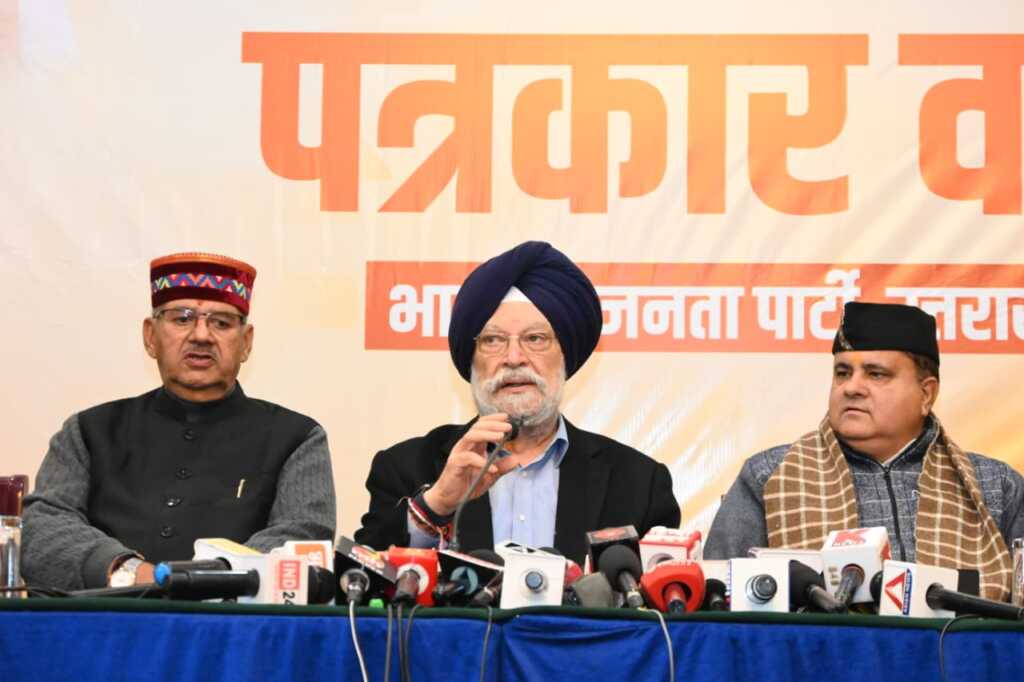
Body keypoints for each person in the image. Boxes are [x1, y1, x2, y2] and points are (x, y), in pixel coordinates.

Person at [22, 253, 336, 590]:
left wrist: (205, 579)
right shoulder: (89, 431)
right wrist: (129, 572)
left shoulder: (297, 438)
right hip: (104, 618)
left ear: (246, 343)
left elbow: (303, 536)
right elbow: (42, 529)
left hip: (233, 621)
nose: (201, 335)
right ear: (150, 336)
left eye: (222, 323)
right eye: (182, 318)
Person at [354, 241, 680, 564]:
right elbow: (359, 579)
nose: (513, 358)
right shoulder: (406, 468)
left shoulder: (639, 482)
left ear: (565, 356)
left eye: (535, 339)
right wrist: (437, 504)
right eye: (493, 340)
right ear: (472, 360)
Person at [704, 301, 1024, 601]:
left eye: (876, 374)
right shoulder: (768, 476)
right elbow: (717, 602)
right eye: (842, 373)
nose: (851, 387)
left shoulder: (995, 486)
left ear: (926, 394)